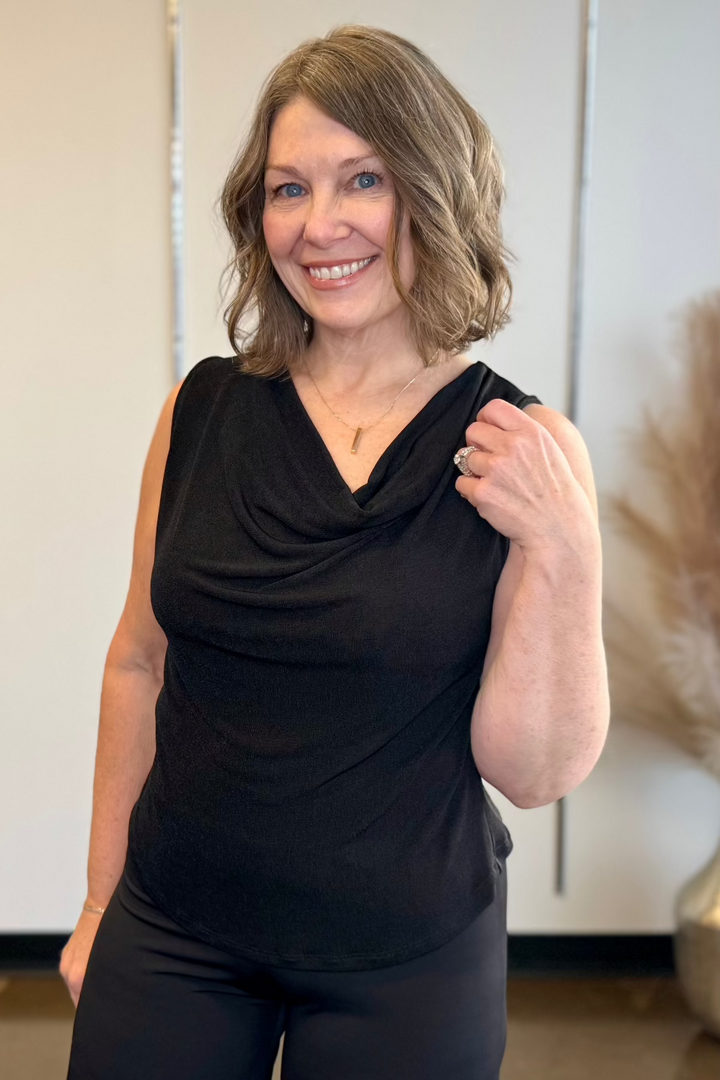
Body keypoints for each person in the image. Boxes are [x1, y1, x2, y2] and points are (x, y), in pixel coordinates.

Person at [61, 23, 609, 1080]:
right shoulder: (199, 411)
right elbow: (138, 661)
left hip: (409, 950)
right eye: (287, 190)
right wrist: (96, 904)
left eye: (363, 179)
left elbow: (532, 773)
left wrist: (566, 546)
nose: (320, 225)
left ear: (432, 191)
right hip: (177, 924)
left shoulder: (521, 448)